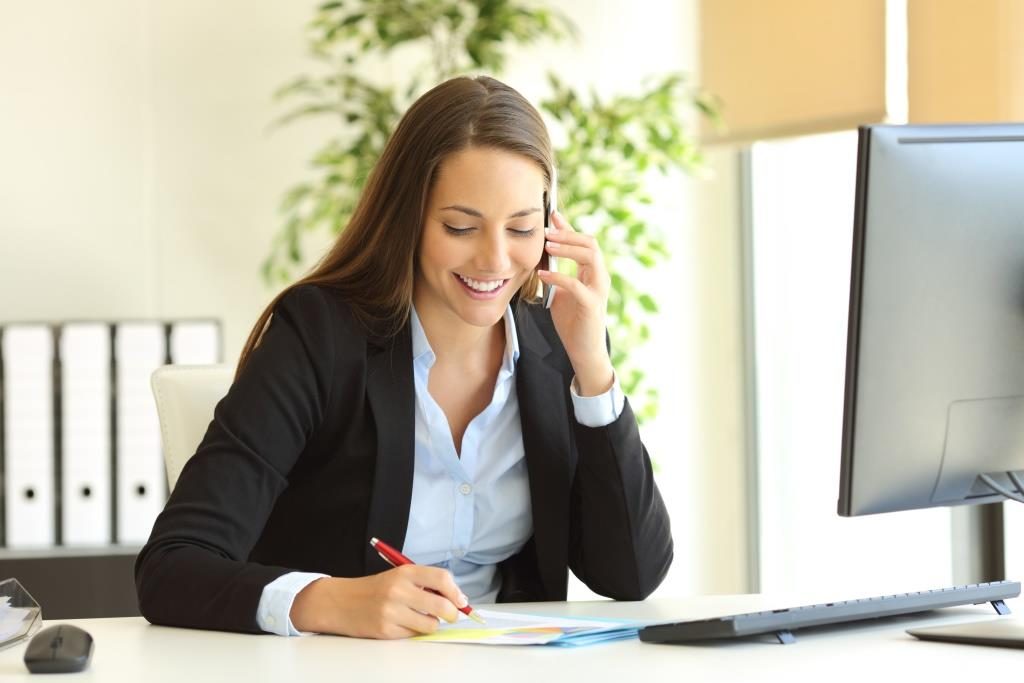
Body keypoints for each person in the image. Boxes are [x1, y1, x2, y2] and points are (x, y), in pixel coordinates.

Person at [135, 75, 672, 639]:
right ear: (408, 217)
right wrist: (325, 601)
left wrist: (593, 369)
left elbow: (631, 575)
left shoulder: (559, 344)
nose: (494, 259)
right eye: (460, 226)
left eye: (521, 227)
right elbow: (172, 567)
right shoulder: (320, 335)